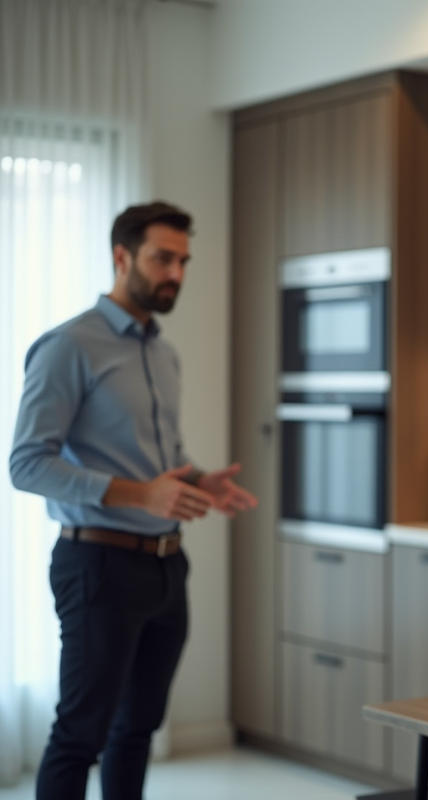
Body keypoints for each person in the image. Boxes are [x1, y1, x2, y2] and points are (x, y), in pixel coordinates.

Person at [9, 201, 258, 800]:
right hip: (97, 566)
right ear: (122, 257)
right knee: (80, 736)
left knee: (137, 731)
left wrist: (199, 481)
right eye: (162, 258)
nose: (175, 273)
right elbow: (26, 464)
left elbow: (163, 459)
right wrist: (141, 494)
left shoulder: (162, 354)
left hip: (166, 567)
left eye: (183, 261)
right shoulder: (69, 346)